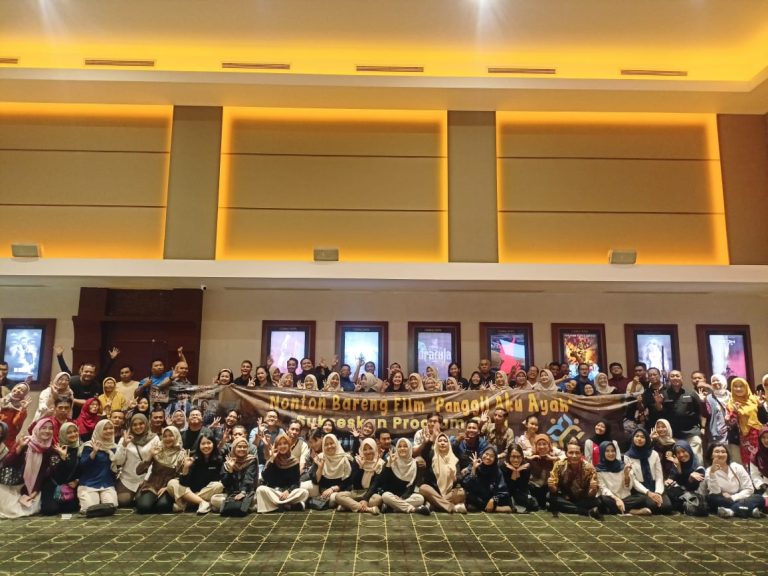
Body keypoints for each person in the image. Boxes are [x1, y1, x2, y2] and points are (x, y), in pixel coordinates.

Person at [0, 417, 55, 518]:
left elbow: (43, 473)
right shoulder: (25, 442)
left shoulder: (49, 449)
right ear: (37, 429)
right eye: (43, 428)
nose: (47, 431)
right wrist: (19, 448)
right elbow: (7, 463)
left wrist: (35, 490)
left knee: (32, 507)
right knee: (11, 509)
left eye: (50, 428)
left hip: (31, 486)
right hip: (14, 483)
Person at [648, 369, 705, 463]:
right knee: (678, 460)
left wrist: (702, 427)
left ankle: (698, 471)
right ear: (669, 379)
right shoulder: (663, 394)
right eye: (672, 376)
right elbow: (660, 413)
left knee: (696, 458)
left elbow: (700, 411)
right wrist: (658, 403)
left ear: (682, 378)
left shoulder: (691, 393)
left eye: (677, 376)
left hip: (691, 432)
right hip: (673, 435)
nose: (675, 378)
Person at [166, 429, 224, 514]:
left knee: (218, 486)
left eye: (209, 443)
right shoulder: (193, 458)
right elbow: (184, 483)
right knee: (172, 483)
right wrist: (186, 467)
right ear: (199, 445)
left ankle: (186, 504)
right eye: (203, 444)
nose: (206, 446)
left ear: (214, 444)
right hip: (189, 491)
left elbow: (218, 480)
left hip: (206, 491)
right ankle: (202, 502)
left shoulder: (218, 459)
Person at [363, 438, 424, 514]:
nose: (402, 448)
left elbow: (412, 486)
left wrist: (402, 498)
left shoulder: (415, 464)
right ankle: (412, 509)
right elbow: (379, 481)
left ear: (409, 448)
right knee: (385, 496)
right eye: (400, 446)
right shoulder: (391, 460)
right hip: (389, 495)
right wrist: (389, 465)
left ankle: (391, 507)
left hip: (404, 496)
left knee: (420, 498)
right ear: (397, 448)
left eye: (405, 446)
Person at [704, 442, 765, 518]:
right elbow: (715, 492)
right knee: (713, 498)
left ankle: (731, 511)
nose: (720, 454)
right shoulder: (709, 471)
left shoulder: (737, 467)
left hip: (740, 498)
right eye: (717, 452)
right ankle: (749, 510)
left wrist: (733, 497)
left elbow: (749, 489)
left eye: (723, 452)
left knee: (759, 498)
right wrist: (712, 473)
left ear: (727, 455)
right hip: (723, 500)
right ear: (711, 456)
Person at [135, 426, 186, 514]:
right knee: (143, 508)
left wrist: (167, 487)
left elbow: (181, 476)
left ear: (176, 436)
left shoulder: (181, 453)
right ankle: (147, 499)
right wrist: (150, 455)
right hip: (152, 484)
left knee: (162, 507)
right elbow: (138, 471)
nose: (167, 438)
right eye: (165, 436)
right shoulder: (157, 450)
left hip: (169, 486)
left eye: (171, 435)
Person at [548, 440, 602, 518]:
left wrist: (593, 489)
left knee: (597, 502)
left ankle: (569, 508)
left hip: (582, 499)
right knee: (550, 497)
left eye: (577, 453)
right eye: (571, 453)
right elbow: (554, 490)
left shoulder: (589, 468)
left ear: (581, 454)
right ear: (566, 454)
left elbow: (591, 495)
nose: (574, 456)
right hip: (565, 498)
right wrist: (551, 486)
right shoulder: (559, 465)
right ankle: (585, 511)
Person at [114, 413, 159, 507]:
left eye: (141, 424)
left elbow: (156, 462)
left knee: (143, 504)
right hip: (128, 479)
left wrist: (146, 479)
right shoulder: (125, 438)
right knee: (123, 501)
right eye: (134, 425)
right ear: (131, 426)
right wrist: (124, 445)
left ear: (146, 423)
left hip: (147, 478)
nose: (138, 427)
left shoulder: (154, 438)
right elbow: (118, 461)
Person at [623, 428, 672, 515]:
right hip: (640, 490)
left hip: (655, 487)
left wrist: (657, 493)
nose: (639, 439)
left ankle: (642, 507)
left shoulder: (654, 454)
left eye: (642, 437)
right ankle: (635, 511)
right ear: (633, 438)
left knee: (666, 506)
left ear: (647, 439)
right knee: (652, 505)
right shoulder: (627, 456)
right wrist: (648, 493)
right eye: (637, 436)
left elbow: (659, 476)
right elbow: (633, 480)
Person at [256, 433, 308, 513]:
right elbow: (265, 478)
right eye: (279, 444)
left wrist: (288, 491)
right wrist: (272, 459)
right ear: (276, 446)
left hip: (287, 493)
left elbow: (296, 483)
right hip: (274, 491)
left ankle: (276, 505)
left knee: (304, 492)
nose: (282, 446)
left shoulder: (294, 461)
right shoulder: (273, 459)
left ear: (289, 445)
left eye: (285, 443)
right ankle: (288, 506)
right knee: (260, 489)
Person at [417, 431, 466, 514]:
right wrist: (429, 441)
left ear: (449, 444)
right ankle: (453, 507)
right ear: (436, 443)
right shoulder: (432, 455)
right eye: (440, 441)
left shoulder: (454, 459)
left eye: (445, 441)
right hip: (433, 491)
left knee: (461, 492)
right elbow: (424, 453)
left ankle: (433, 504)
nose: (442, 443)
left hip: (448, 493)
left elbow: (459, 477)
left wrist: (454, 478)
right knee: (423, 488)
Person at [77, 419, 119, 514]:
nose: (108, 431)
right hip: (89, 484)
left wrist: (124, 446)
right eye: (105, 429)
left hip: (106, 484)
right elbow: (83, 465)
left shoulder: (114, 447)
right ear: (99, 430)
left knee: (112, 507)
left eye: (111, 428)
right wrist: (94, 452)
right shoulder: (90, 445)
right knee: (89, 509)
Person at [335, 437, 384, 514]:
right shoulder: (357, 460)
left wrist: (365, 499)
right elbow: (354, 482)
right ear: (361, 450)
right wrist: (361, 467)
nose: (368, 452)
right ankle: (368, 509)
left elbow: (375, 484)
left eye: (370, 448)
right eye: (365, 449)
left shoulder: (380, 463)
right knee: (338, 496)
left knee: (378, 499)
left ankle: (349, 506)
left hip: (370, 493)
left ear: (375, 448)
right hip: (356, 492)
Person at [41, 421, 81, 515]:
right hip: (53, 485)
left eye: (75, 431)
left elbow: (83, 470)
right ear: (63, 434)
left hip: (69, 487)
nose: (73, 434)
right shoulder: (56, 449)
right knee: (50, 510)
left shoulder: (80, 449)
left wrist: (77, 481)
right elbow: (57, 475)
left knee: (72, 508)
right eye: (69, 432)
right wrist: (63, 458)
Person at [214, 437, 259, 514]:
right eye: (239, 447)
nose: (242, 449)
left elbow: (249, 478)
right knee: (214, 499)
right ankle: (244, 507)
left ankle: (234, 506)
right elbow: (225, 483)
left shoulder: (251, 460)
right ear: (234, 448)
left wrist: (243, 492)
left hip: (247, 493)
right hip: (231, 494)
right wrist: (230, 470)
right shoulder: (228, 461)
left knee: (257, 498)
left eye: (245, 447)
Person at [308, 434, 353, 510]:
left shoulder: (346, 459)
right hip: (322, 490)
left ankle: (316, 501)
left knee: (332, 498)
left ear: (336, 443)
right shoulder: (320, 457)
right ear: (323, 446)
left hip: (339, 490)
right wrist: (320, 467)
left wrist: (332, 489)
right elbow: (315, 481)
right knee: (304, 487)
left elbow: (349, 482)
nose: (329, 446)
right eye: (326, 444)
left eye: (331, 443)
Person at [462, 446, 511, 513]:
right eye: (486, 454)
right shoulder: (475, 464)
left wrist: (493, 499)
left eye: (491, 456)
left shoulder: (497, 471)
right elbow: (466, 485)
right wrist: (474, 469)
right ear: (482, 454)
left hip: (490, 497)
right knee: (469, 496)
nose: (488, 457)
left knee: (504, 498)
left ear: (495, 459)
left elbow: (502, 490)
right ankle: (495, 509)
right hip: (477, 497)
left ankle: (486, 507)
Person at [664, 440, 707, 515]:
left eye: (683, 451)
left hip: (695, 494)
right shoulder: (677, 463)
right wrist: (669, 480)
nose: (681, 455)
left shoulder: (698, 467)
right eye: (678, 453)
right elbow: (672, 478)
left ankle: (682, 507)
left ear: (689, 450)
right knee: (669, 489)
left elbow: (691, 488)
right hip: (682, 493)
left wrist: (690, 479)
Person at [728, 377, 762, 465]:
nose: (738, 389)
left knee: (761, 460)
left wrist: (760, 407)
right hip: (743, 436)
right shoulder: (731, 403)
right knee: (748, 463)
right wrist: (734, 412)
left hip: (758, 434)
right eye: (735, 386)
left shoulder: (754, 399)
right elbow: (731, 423)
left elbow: (763, 418)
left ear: (746, 387)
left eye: (741, 386)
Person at [500, 444, 537, 512]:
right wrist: (514, 473)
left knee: (534, 505)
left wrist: (518, 471)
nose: (516, 460)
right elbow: (507, 489)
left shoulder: (526, 467)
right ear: (509, 456)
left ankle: (514, 506)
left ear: (522, 457)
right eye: (513, 457)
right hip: (507, 493)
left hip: (520, 493)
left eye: (518, 457)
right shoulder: (503, 466)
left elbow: (522, 488)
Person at [0, 382, 31, 452]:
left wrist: (23, 410)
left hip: (7, 439)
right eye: (18, 387)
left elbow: (16, 422)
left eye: (22, 390)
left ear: (23, 395)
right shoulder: (3, 400)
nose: (18, 390)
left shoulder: (20, 408)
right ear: (14, 387)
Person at [749, 425, 768, 491]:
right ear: (759, 439)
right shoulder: (756, 454)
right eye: (763, 437)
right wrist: (763, 485)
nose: (766, 440)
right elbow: (755, 474)